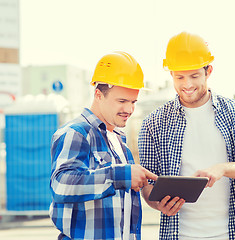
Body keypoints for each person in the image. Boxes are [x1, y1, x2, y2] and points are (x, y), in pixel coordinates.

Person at [138, 32, 235, 240]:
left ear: (208, 71)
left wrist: (223, 168)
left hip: (233, 235)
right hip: (180, 235)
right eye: (179, 77)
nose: (187, 85)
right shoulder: (153, 125)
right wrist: (157, 204)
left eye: (194, 76)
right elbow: (148, 186)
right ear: (171, 74)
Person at [49, 51, 157, 240]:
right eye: (121, 101)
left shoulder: (120, 143)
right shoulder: (77, 133)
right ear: (98, 94)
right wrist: (120, 175)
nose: (129, 110)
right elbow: (61, 185)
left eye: (133, 102)